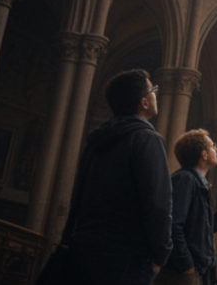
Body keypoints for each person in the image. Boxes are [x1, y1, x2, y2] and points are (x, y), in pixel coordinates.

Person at [62, 69, 172, 285]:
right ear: (144, 103)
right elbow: (158, 203)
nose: (156, 94)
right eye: (154, 90)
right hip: (127, 254)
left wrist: (70, 239)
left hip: (85, 248)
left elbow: (78, 196)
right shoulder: (147, 139)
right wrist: (161, 253)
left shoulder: (96, 141)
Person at [156, 129, 217, 285]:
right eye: (213, 146)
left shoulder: (198, 183)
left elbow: (199, 231)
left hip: (194, 272)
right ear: (204, 155)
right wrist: (187, 265)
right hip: (181, 273)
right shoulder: (186, 179)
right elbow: (172, 226)